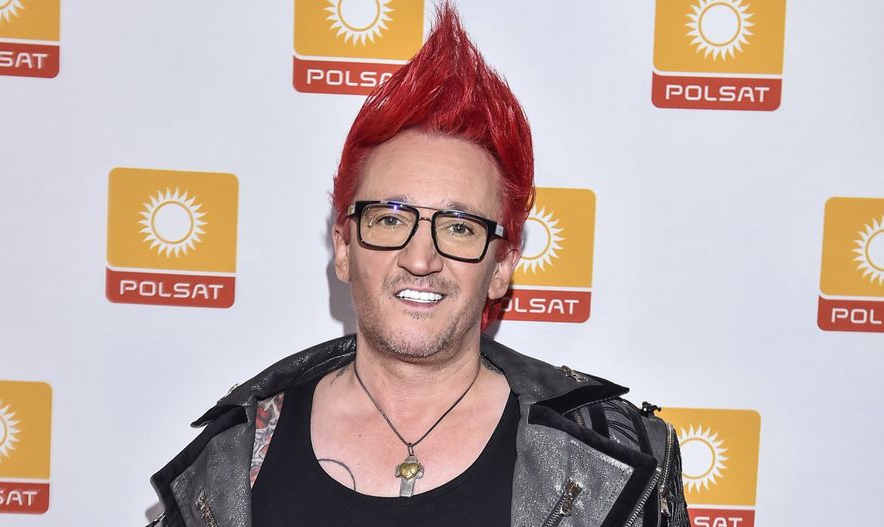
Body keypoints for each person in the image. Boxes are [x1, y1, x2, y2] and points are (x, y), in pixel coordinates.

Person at [148, 4, 689, 526]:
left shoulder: (613, 455)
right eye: (390, 219)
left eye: (459, 227)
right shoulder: (229, 459)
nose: (420, 258)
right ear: (344, 247)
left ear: (502, 265)